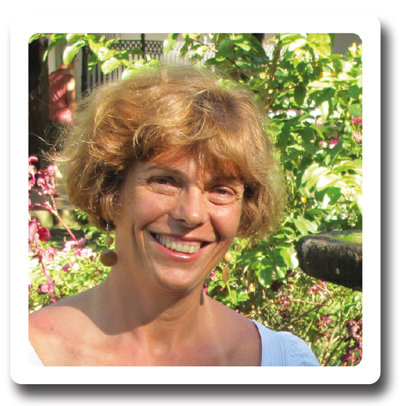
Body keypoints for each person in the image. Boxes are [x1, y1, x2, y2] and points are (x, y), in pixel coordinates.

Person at [29, 64, 320, 367]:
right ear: (111, 191)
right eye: (165, 181)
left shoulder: (284, 364)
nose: (192, 214)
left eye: (220, 190)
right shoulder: (25, 359)